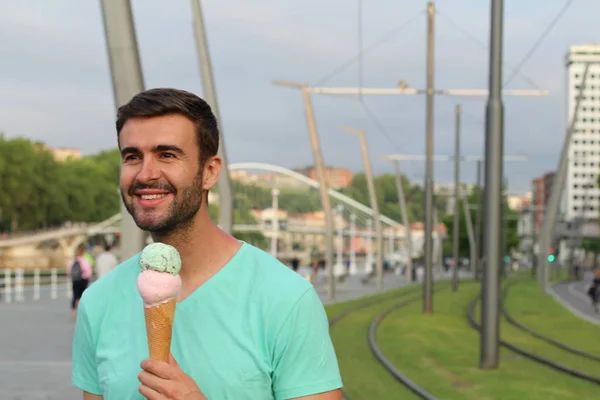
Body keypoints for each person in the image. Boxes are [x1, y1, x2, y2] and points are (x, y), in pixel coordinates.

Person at [71, 88, 343, 400]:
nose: (146, 174)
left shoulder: (285, 299)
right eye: (132, 157)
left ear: (210, 172)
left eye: (167, 155)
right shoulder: (97, 304)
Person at [67, 244, 93, 320]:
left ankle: (73, 312)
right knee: (83, 296)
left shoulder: (72, 261)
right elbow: (88, 271)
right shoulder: (85, 261)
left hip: (75, 280)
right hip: (83, 280)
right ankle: (82, 313)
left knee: (75, 295)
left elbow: (69, 272)